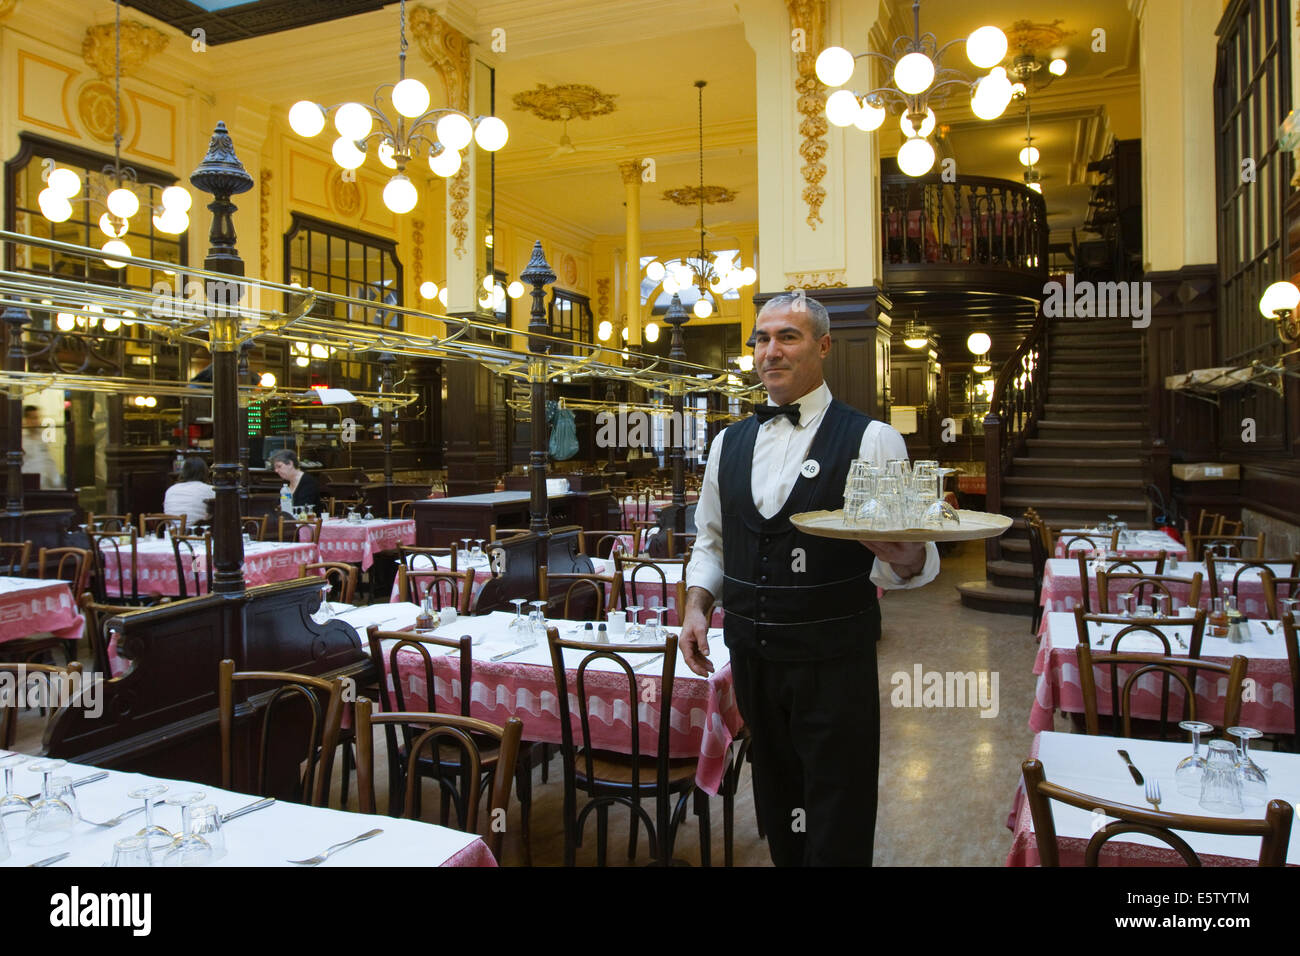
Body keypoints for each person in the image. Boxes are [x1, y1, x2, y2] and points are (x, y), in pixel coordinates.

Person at [680, 293, 940, 867]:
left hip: (834, 660)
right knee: (780, 803)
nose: (770, 351)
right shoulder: (727, 442)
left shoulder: (872, 440)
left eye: (787, 337)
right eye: (761, 339)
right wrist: (697, 606)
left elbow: (916, 558)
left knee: (838, 808)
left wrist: (906, 557)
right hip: (752, 656)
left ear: (823, 346)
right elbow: (712, 541)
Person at [163, 456, 216, 527]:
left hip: (171, 534)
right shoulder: (210, 489)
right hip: (197, 535)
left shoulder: (171, 490)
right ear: (205, 472)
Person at [21, 405, 64, 489]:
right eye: (33, 418)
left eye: (37, 418)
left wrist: (57, 481)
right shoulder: (20, 440)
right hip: (28, 486)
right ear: (26, 420)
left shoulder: (42, 439)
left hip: (44, 486)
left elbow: (48, 461)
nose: (37, 421)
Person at [268, 448, 321, 514]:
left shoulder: (308, 482)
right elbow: (281, 503)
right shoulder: (286, 483)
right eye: (275, 468)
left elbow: (303, 508)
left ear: (290, 464)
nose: (276, 470)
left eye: (279, 466)